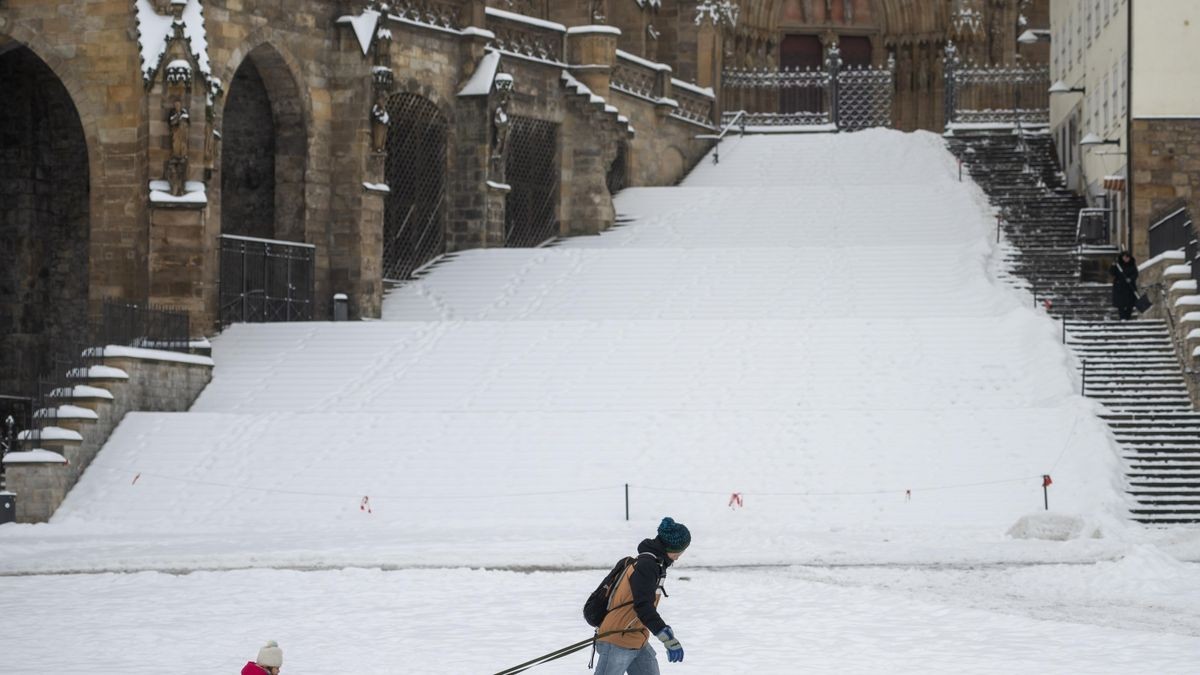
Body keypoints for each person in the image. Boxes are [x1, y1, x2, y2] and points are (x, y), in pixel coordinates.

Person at [594, 517, 691, 675]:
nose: (679, 556)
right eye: (680, 551)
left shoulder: (655, 564)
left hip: (636, 636)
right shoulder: (647, 566)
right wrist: (667, 637)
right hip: (618, 639)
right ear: (671, 547)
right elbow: (643, 606)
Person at [1110, 250, 1139, 320]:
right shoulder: (1118, 265)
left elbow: (1135, 274)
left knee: (1130, 304)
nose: (1126, 259)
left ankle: (1127, 317)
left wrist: (1131, 279)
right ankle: (1122, 317)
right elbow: (1112, 273)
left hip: (1129, 287)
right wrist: (1113, 266)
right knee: (1121, 304)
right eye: (1124, 257)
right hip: (1120, 287)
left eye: (1127, 257)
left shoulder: (1132, 264)